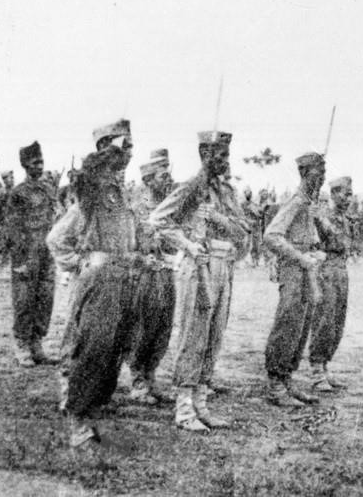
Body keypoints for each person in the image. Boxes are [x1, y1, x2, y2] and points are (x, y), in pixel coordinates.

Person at [148, 131, 249, 432]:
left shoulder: (227, 191)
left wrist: (218, 219)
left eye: (226, 155)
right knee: (193, 335)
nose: (224, 161)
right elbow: (159, 219)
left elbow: (242, 230)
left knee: (213, 337)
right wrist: (188, 245)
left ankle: (202, 405)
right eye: (219, 155)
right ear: (204, 154)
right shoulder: (192, 185)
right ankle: (183, 409)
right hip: (198, 266)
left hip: (224, 266)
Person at [46, 119, 138, 448]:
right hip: (99, 279)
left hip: (122, 277)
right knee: (93, 346)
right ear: (105, 149)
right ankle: (77, 420)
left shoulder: (117, 190)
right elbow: (56, 239)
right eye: (123, 145)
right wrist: (80, 264)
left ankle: (93, 404)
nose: (130, 151)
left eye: (131, 144)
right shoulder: (93, 187)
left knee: (113, 347)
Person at [263, 152, 327, 407]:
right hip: (293, 270)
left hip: (307, 270)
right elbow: (272, 236)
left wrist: (315, 252)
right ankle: (275, 384)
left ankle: (287, 378)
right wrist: (300, 257)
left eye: (324, 172)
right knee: (287, 324)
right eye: (317, 172)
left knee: (301, 327)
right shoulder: (296, 201)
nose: (322, 178)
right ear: (304, 173)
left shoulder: (310, 203)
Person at [126, 150, 177, 405]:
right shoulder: (135, 208)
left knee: (162, 328)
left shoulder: (172, 207)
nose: (168, 180)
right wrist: (142, 259)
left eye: (169, 173)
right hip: (143, 276)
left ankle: (151, 375)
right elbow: (126, 246)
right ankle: (137, 380)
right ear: (148, 180)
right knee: (142, 329)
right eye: (162, 176)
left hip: (166, 274)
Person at [5, 141, 59, 367]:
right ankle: (22, 345)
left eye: (41, 162)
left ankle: (37, 343)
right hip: (27, 254)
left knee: (45, 298)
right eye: (35, 162)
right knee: (24, 300)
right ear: (25, 165)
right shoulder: (18, 193)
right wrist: (20, 259)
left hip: (46, 252)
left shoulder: (47, 190)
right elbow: (13, 227)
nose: (40, 166)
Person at [308, 176, 353, 392]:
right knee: (324, 320)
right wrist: (320, 219)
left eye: (350, 194)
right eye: (345, 193)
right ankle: (316, 370)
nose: (348, 198)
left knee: (337, 322)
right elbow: (325, 241)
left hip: (341, 271)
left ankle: (325, 365)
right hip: (326, 270)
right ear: (334, 194)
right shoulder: (321, 215)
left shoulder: (343, 218)